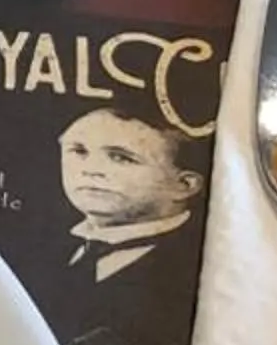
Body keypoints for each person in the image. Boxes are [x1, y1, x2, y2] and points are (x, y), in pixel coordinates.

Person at [57, 107, 201, 281]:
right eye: (79, 151)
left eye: (121, 158)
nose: (90, 169)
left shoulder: (200, 258)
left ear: (183, 185)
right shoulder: (44, 243)